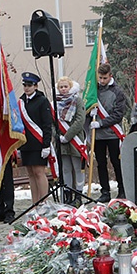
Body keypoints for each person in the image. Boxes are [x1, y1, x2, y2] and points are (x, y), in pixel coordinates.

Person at [90, 63, 128, 203]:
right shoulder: (95, 90)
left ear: (110, 76)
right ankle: (105, 191)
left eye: (104, 78)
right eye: (100, 78)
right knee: (101, 163)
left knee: (116, 163)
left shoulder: (117, 92)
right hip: (98, 135)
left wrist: (101, 123)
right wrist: (90, 113)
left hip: (112, 133)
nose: (102, 81)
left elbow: (118, 114)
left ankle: (122, 189)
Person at [18, 72, 52, 207]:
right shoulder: (21, 101)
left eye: (30, 85)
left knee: (39, 172)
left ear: (36, 86)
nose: (27, 88)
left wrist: (46, 145)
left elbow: (47, 124)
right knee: (31, 174)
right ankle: (35, 203)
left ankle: (44, 202)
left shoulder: (42, 100)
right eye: (25, 85)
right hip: (26, 143)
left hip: (39, 142)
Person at [55, 75, 87, 204]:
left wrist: (67, 136)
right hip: (61, 142)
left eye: (65, 86)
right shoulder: (55, 102)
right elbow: (52, 122)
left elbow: (80, 120)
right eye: (61, 87)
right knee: (66, 169)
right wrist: (57, 136)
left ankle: (78, 196)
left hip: (75, 140)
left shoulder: (77, 101)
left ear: (70, 87)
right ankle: (67, 195)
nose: (63, 89)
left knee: (78, 168)